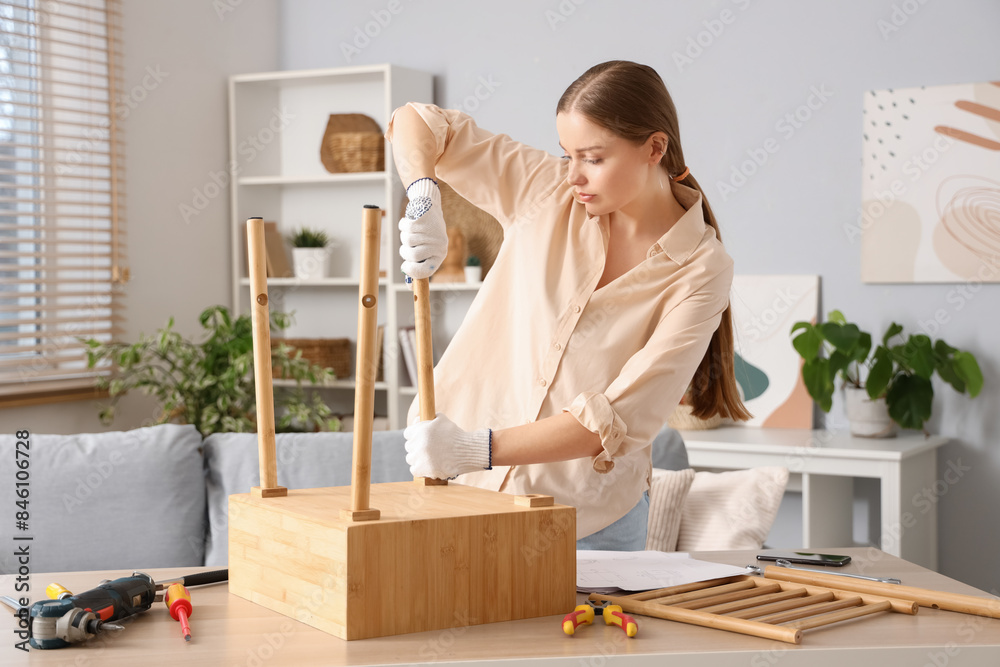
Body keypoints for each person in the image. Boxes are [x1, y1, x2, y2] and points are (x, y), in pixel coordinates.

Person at [385, 60, 751, 551]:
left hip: (586, 527)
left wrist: (472, 448)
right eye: (567, 154)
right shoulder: (544, 188)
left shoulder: (702, 270)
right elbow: (418, 119)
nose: (573, 175)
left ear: (654, 148)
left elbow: (617, 417)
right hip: (458, 498)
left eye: (593, 158)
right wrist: (423, 194)